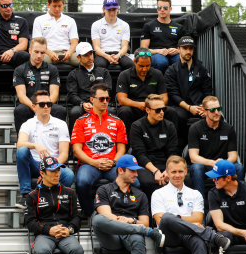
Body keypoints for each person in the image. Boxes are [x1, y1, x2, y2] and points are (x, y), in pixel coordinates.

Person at [151, 155, 231, 254]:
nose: (177, 175)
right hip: (168, 236)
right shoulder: (158, 193)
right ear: (167, 172)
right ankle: (211, 235)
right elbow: (160, 219)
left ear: (186, 172)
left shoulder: (195, 194)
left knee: (199, 242)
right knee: (168, 218)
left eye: (180, 171)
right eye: (173, 172)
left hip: (189, 234)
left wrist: (178, 219)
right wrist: (179, 219)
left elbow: (198, 219)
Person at [92, 155, 165, 254]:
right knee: (97, 220)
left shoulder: (140, 195)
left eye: (136, 171)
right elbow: (105, 215)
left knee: (138, 239)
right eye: (132, 171)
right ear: (120, 170)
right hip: (110, 237)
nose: (136, 174)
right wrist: (122, 221)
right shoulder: (104, 189)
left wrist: (131, 221)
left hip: (130, 235)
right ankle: (151, 233)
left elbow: (144, 222)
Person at [24, 157, 83, 254]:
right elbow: (29, 222)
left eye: (58, 170)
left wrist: (69, 230)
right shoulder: (32, 196)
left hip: (64, 233)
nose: (57, 174)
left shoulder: (70, 193)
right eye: (52, 171)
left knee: (78, 250)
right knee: (42, 251)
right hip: (45, 234)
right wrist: (48, 230)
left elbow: (77, 218)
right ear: (42, 173)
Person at [71, 83, 128, 216]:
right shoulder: (81, 121)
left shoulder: (118, 121)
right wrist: (95, 162)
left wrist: (113, 162)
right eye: (101, 99)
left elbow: (122, 148)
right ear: (92, 99)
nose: (105, 102)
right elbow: (76, 151)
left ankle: (120, 213)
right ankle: (90, 213)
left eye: (107, 99)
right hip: (89, 164)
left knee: (133, 181)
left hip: (112, 164)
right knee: (82, 182)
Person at [15, 90, 74, 209]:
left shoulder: (61, 124)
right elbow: (20, 144)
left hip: (53, 164)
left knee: (69, 175)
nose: (46, 107)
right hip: (33, 164)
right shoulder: (28, 124)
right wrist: (35, 145)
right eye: (42, 104)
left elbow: (64, 154)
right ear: (33, 106)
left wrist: (48, 170)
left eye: (49, 104)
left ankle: (53, 196)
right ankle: (26, 194)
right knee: (22, 151)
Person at [188, 96, 244, 203]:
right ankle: (200, 204)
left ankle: (237, 202)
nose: (217, 112)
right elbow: (193, 157)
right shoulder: (195, 128)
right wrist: (213, 163)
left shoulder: (228, 129)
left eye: (219, 109)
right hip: (206, 166)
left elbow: (233, 156)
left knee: (239, 167)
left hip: (223, 165)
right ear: (204, 111)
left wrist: (222, 164)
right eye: (213, 110)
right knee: (196, 167)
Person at [164, 36, 212, 147]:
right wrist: (189, 108)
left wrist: (204, 107)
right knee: (176, 115)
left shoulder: (202, 69)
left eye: (191, 48)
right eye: (185, 48)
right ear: (179, 49)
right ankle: (178, 148)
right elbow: (173, 94)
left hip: (200, 106)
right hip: (180, 106)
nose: (188, 51)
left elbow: (207, 91)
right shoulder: (171, 70)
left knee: (215, 114)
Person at [129, 94, 179, 198]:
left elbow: (172, 152)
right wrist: (155, 171)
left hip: (165, 163)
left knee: (180, 178)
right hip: (144, 165)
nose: (161, 113)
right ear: (147, 110)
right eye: (158, 110)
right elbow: (140, 154)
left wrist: (167, 170)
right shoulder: (137, 126)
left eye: (163, 109)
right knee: (148, 182)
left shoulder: (169, 126)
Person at [12, 37, 65, 132]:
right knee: (20, 110)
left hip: (47, 105)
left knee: (60, 110)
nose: (39, 55)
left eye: (42, 52)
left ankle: (58, 144)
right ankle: (22, 144)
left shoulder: (52, 69)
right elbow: (21, 96)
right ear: (29, 50)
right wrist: (35, 107)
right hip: (28, 105)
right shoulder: (20, 70)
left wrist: (45, 106)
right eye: (36, 52)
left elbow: (54, 94)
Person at [116, 48, 173, 134]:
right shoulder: (125, 74)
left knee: (171, 112)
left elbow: (165, 98)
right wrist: (139, 105)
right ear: (135, 62)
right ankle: (127, 142)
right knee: (124, 111)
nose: (144, 69)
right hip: (134, 107)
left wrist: (154, 106)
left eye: (148, 66)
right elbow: (121, 100)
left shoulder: (157, 74)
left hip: (153, 108)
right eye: (141, 66)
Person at [66, 42, 112, 130]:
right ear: (78, 57)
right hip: (83, 104)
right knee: (75, 111)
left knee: (110, 110)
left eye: (91, 53)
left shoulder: (104, 72)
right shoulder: (73, 74)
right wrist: (82, 103)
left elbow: (108, 90)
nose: (90, 57)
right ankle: (74, 142)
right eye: (85, 55)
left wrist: (97, 103)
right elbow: (72, 94)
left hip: (101, 101)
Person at [32, 0, 79, 67]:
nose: (57, 9)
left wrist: (69, 53)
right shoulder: (39, 20)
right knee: (38, 60)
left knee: (85, 60)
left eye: (59, 6)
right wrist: (50, 53)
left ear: (63, 4)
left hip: (66, 53)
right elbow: (37, 43)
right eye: (54, 6)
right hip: (47, 53)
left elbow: (74, 42)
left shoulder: (70, 20)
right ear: (48, 4)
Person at [140, 0, 184, 73]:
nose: (162, 10)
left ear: (170, 9)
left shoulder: (178, 27)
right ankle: (159, 83)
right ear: (157, 9)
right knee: (162, 62)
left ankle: (178, 84)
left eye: (165, 8)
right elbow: (143, 49)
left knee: (181, 61)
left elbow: (185, 47)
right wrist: (158, 51)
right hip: (156, 55)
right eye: (159, 8)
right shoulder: (149, 26)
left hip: (174, 55)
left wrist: (177, 50)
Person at [91, 0, 133, 70]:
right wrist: (107, 57)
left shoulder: (124, 25)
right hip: (102, 54)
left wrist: (118, 56)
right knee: (99, 65)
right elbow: (96, 47)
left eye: (114, 10)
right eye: (109, 10)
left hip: (119, 54)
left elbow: (125, 47)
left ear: (117, 10)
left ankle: (125, 81)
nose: (112, 13)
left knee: (130, 65)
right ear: (103, 9)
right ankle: (101, 82)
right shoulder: (96, 25)